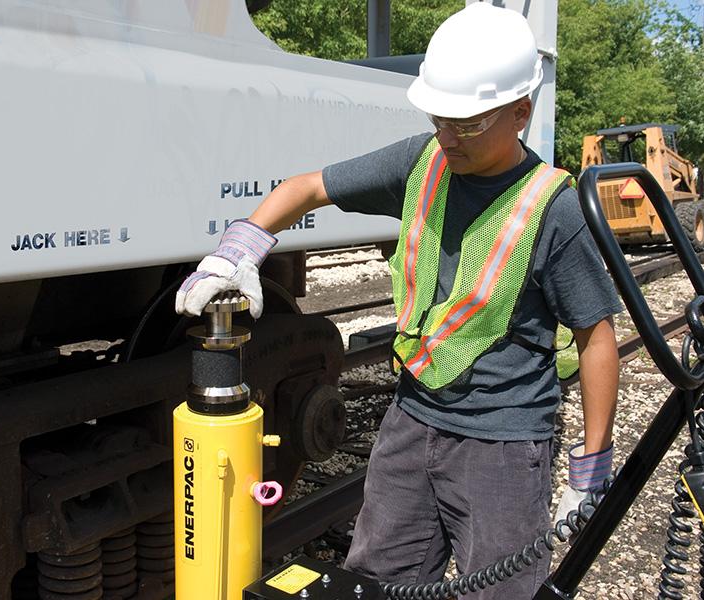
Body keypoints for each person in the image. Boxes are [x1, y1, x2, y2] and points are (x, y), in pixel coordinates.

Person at [176, 3, 621, 598]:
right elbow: (306, 187)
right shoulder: (424, 161)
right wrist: (237, 251)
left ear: (521, 112)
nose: (447, 135)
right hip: (412, 422)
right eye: (439, 118)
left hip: (504, 444)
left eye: (466, 124)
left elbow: (596, 339)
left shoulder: (553, 208)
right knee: (376, 582)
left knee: (501, 591)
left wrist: (590, 467)